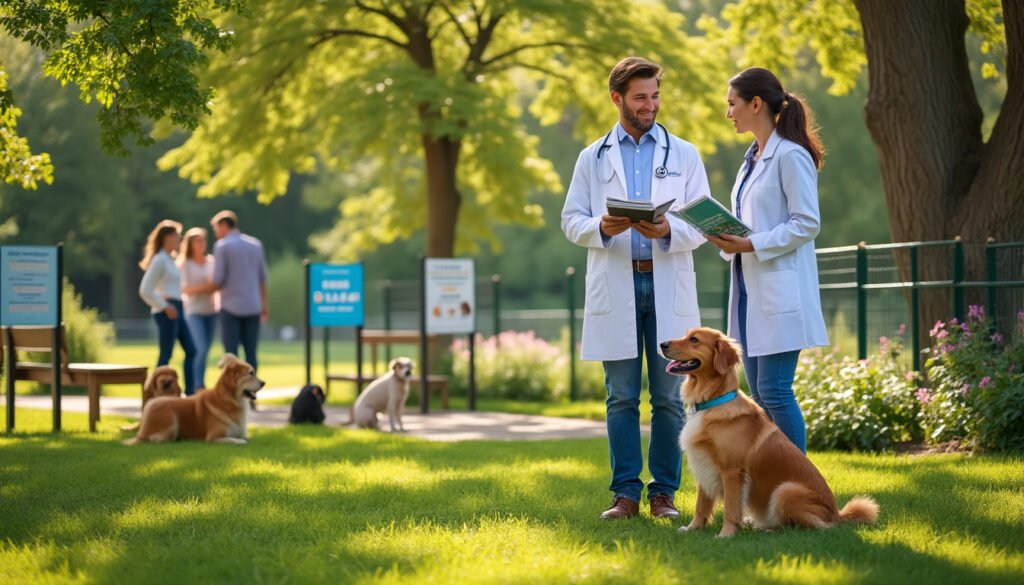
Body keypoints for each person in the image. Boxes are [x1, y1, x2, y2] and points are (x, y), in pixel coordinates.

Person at [561, 57, 710, 520]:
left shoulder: (684, 153)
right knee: (621, 395)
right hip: (617, 282)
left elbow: (702, 223)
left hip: (666, 282)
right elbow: (570, 221)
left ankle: (663, 493)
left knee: (668, 396)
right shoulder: (593, 157)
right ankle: (625, 494)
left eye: (655, 96)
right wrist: (601, 227)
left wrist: (667, 231)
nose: (650, 105)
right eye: (641, 97)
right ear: (618, 99)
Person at [704, 67, 830, 454]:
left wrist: (752, 245)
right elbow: (751, 224)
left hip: (779, 290)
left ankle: (802, 485)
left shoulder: (790, 156)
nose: (728, 113)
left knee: (775, 390)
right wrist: (727, 240)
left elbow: (807, 224)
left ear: (755, 104)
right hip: (748, 289)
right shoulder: (751, 160)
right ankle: (772, 490)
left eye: (732, 104)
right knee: (759, 391)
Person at [138, 220, 197, 395]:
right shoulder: (159, 260)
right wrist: (165, 306)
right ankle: (153, 393)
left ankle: (190, 392)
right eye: (177, 235)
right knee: (166, 356)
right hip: (166, 311)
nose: (180, 239)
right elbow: (145, 290)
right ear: (166, 238)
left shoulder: (170, 259)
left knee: (191, 350)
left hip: (177, 308)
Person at [208, 210, 268, 373]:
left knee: (231, 354)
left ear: (223, 225)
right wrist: (264, 305)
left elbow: (218, 279)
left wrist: (198, 290)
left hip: (230, 307)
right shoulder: (256, 245)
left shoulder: (222, 247)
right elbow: (263, 278)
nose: (216, 234)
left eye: (216, 229)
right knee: (251, 353)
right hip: (253, 306)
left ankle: (232, 394)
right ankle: (252, 393)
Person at [178, 227, 219, 391]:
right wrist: (206, 288)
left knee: (206, 351)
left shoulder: (212, 261)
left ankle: (200, 383)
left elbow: (216, 283)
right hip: (194, 312)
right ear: (190, 243)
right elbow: (185, 289)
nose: (201, 244)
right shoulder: (185, 264)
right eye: (197, 240)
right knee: (199, 349)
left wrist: (211, 287)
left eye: (203, 240)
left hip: (211, 311)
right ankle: (195, 385)